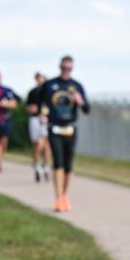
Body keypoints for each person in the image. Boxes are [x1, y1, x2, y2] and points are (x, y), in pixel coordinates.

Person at [42, 55, 89, 212]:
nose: (66, 70)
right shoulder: (50, 85)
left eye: (69, 67)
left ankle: (64, 194)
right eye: (64, 67)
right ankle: (58, 196)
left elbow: (87, 109)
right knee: (58, 160)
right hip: (54, 127)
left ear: (72, 68)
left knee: (68, 165)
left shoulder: (77, 86)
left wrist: (80, 101)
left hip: (70, 128)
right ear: (60, 66)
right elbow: (41, 103)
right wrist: (42, 113)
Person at [25, 72, 52, 183]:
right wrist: (31, 109)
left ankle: (46, 167)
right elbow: (28, 106)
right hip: (35, 119)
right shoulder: (33, 92)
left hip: (47, 119)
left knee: (47, 144)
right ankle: (36, 165)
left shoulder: (50, 92)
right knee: (38, 143)